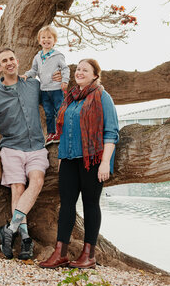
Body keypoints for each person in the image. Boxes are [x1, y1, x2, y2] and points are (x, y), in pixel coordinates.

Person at [0, 48, 61, 260]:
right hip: (11, 147)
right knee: (17, 188)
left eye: (11, 59)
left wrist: (58, 79)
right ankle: (26, 241)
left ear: (18, 61)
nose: (9, 63)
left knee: (37, 181)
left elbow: (52, 98)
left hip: (36, 147)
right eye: (4, 61)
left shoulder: (33, 85)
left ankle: (9, 230)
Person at [39, 58, 119, 269]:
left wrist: (104, 163)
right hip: (69, 159)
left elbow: (111, 132)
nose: (80, 72)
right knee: (66, 205)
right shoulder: (71, 98)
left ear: (95, 75)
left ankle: (88, 255)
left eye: (85, 70)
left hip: (92, 159)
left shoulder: (103, 97)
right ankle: (60, 253)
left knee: (91, 205)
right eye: (78, 69)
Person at [22, 25, 70, 146]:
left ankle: (61, 132)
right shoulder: (37, 57)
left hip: (56, 89)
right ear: (39, 40)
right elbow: (34, 70)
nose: (46, 40)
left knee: (59, 111)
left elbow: (65, 69)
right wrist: (27, 75)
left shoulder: (58, 55)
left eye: (49, 37)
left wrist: (65, 80)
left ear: (54, 41)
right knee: (48, 113)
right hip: (44, 90)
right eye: (43, 37)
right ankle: (51, 134)